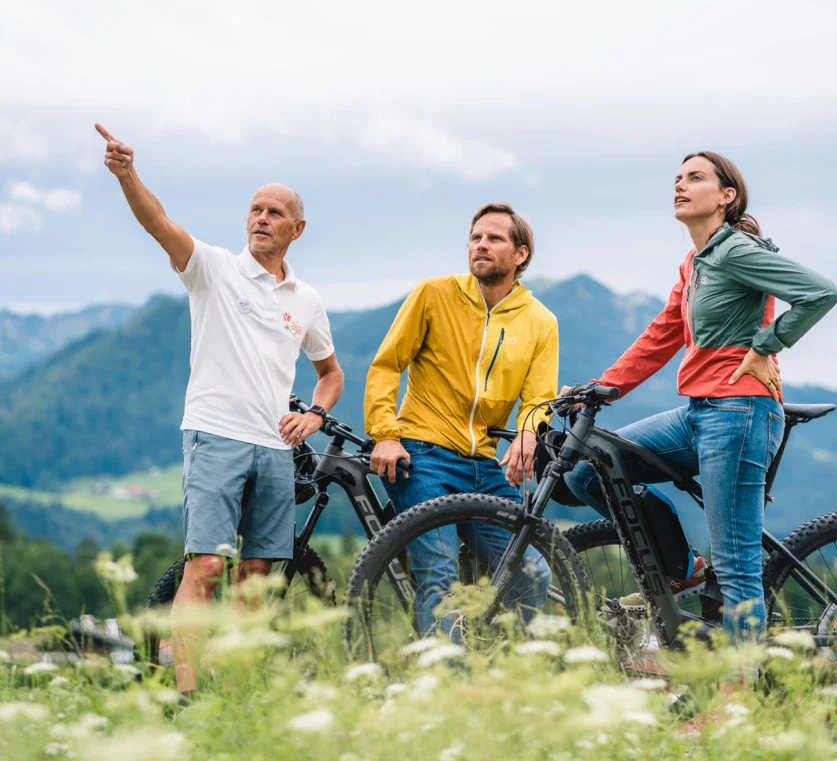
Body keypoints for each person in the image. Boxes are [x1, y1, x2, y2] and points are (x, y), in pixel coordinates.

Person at [96, 124, 344, 696]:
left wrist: (313, 416)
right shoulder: (212, 268)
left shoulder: (305, 300)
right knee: (205, 567)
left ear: (297, 229)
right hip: (215, 435)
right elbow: (158, 224)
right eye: (255, 209)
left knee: (258, 578)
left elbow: (330, 374)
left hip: (277, 448)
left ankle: (230, 689)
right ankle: (186, 697)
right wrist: (128, 174)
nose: (261, 218)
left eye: (275, 212)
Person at [566, 151, 837, 644]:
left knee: (737, 569)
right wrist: (600, 390)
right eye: (677, 178)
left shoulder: (737, 251)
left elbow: (820, 293)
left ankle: (738, 701)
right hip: (697, 412)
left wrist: (764, 348)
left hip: (739, 413)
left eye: (695, 178)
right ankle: (683, 566)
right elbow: (662, 333)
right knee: (592, 470)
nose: (681, 185)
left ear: (726, 196)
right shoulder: (696, 261)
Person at [364, 202, 559, 637]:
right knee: (441, 580)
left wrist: (528, 436)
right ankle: (444, 696)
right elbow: (386, 366)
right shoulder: (433, 294)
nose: (481, 245)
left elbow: (539, 399)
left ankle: (504, 676)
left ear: (521, 254)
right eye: (475, 238)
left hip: (485, 468)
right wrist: (385, 434)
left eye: (494, 239)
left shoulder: (541, 321)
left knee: (531, 573)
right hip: (422, 456)